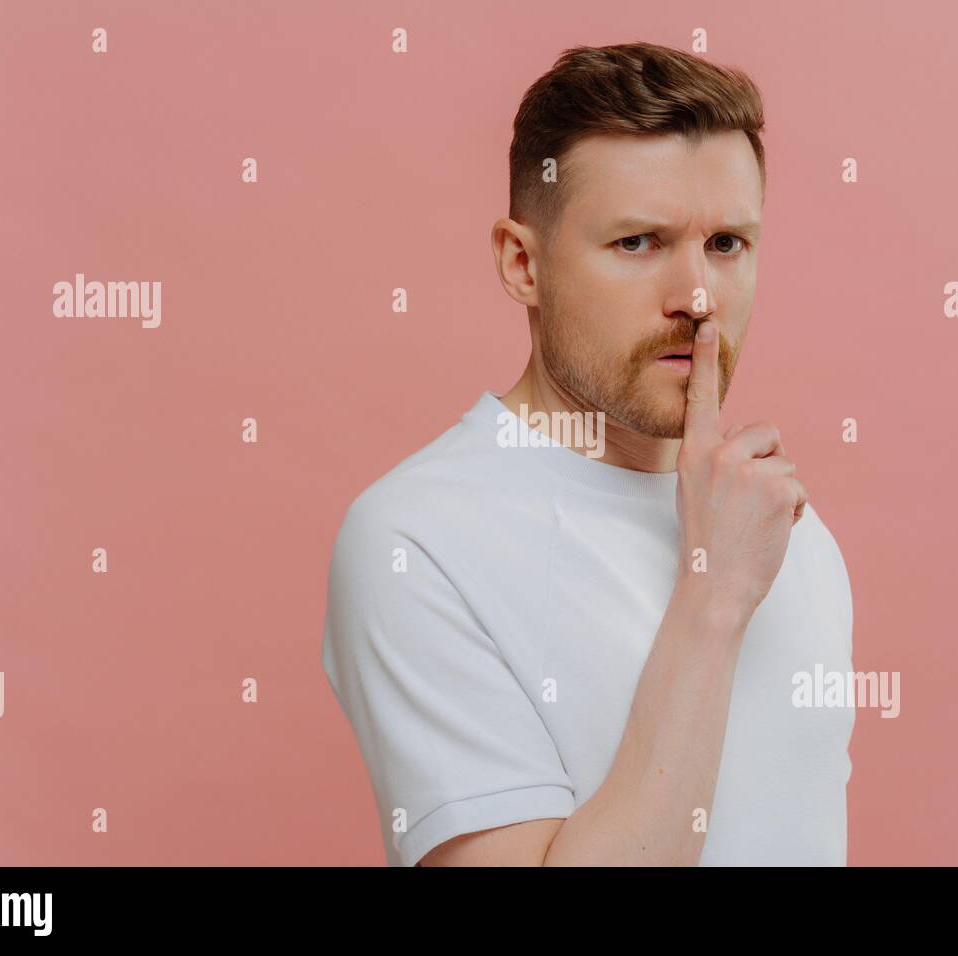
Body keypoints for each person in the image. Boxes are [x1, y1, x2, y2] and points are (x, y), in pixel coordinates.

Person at [321, 41, 854, 866]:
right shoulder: (414, 542)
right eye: (638, 242)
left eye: (727, 244)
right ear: (521, 262)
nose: (697, 298)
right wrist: (712, 600)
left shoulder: (789, 532)